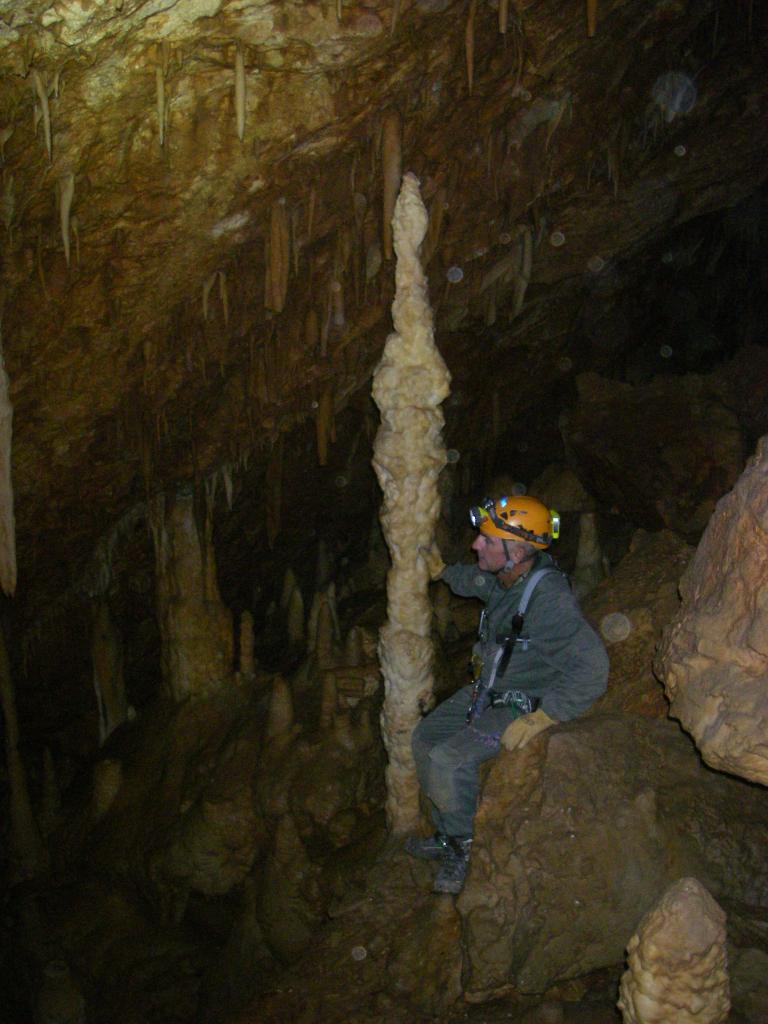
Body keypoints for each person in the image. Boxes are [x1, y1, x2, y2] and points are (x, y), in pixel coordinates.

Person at [406, 495, 609, 895]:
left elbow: (594, 666)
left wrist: (548, 715)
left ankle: (463, 845)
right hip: (488, 688)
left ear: (516, 551)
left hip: (522, 700)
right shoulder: (508, 579)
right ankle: (447, 833)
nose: (475, 545)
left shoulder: (549, 600)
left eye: (486, 541)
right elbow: (479, 581)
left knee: (447, 760)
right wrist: (444, 572)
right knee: (424, 738)